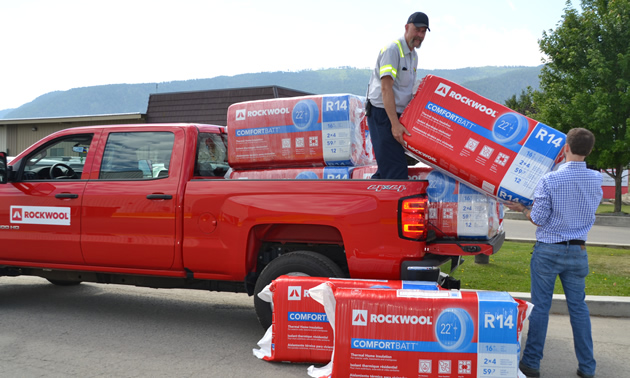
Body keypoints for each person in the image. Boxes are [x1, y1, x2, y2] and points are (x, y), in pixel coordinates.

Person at [505, 128, 602, 378]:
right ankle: (588, 367)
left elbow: (538, 218)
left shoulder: (550, 180)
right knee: (579, 309)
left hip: (548, 250)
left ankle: (531, 363)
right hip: (578, 251)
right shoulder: (596, 180)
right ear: (589, 150)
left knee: (540, 308)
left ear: (565, 148)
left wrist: (524, 209)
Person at [366, 12, 429, 179]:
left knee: (388, 167)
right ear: (407, 27)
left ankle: (372, 198)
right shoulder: (392, 50)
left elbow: (405, 90)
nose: (420, 35)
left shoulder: (414, 55)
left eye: (423, 32)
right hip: (383, 114)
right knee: (395, 169)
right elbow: (386, 89)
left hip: (399, 115)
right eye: (417, 30)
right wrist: (394, 124)